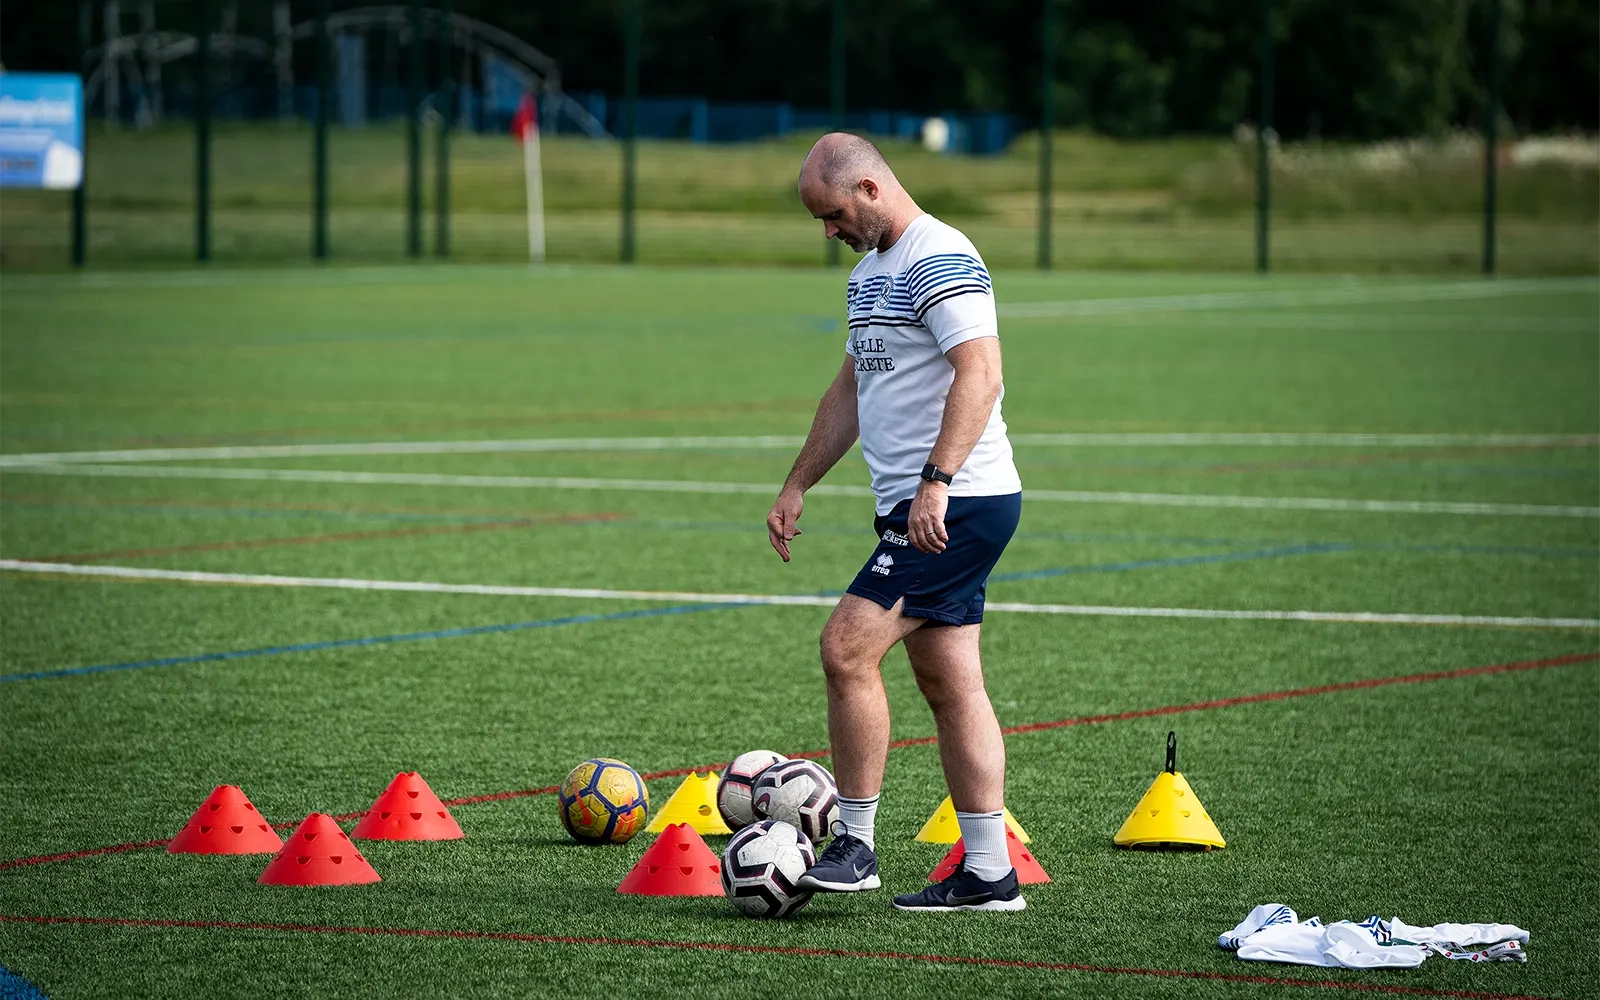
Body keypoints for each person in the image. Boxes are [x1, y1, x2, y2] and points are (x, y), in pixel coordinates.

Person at [765, 132, 1025, 913]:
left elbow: (982, 372)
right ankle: (989, 874)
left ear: (871, 189)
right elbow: (850, 392)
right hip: (929, 507)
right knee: (950, 681)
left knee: (845, 648)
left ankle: (855, 845)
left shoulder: (939, 256)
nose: (829, 231)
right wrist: (797, 484)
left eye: (834, 214)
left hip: (958, 504)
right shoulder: (869, 275)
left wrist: (936, 483)